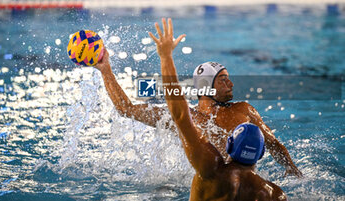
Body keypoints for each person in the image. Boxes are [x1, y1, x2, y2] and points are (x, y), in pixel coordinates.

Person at [94, 18, 302, 177]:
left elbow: (273, 144)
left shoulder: (244, 110)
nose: (230, 84)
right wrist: (106, 70)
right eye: (223, 80)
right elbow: (125, 108)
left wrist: (294, 173)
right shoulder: (184, 117)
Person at [148, 18, 287, 200]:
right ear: (261, 154)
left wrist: (166, 57)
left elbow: (180, 114)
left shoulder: (210, 169)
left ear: (229, 145)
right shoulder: (274, 194)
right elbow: (277, 146)